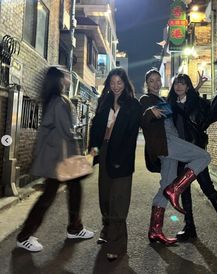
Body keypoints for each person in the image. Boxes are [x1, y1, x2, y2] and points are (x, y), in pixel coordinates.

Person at [16, 67, 94, 252]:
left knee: (71, 189)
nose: (68, 79)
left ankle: (75, 227)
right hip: (59, 158)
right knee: (48, 197)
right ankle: (24, 236)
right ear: (59, 80)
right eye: (65, 76)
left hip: (59, 157)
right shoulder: (59, 102)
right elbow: (67, 130)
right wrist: (82, 146)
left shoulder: (54, 100)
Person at [139, 68, 211, 245]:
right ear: (146, 84)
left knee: (165, 185)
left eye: (158, 80)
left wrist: (197, 86)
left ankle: (155, 231)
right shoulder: (146, 100)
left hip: (168, 149)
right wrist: (150, 112)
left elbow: (179, 99)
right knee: (204, 157)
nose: (155, 83)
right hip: (166, 143)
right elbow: (142, 116)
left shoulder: (164, 100)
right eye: (151, 81)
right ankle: (176, 188)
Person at [167, 73, 217, 256]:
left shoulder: (197, 104)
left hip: (196, 154)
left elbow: (213, 111)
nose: (179, 86)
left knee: (209, 190)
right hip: (180, 155)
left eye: (183, 83)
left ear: (188, 87)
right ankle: (189, 227)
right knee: (185, 192)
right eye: (176, 84)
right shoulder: (171, 106)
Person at [89, 67, 142, 261]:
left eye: (119, 82)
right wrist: (94, 147)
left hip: (123, 155)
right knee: (105, 197)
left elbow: (133, 133)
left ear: (125, 83)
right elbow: (95, 127)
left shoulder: (133, 105)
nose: (116, 86)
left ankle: (117, 244)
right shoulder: (103, 102)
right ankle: (107, 229)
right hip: (104, 152)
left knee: (118, 201)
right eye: (112, 83)